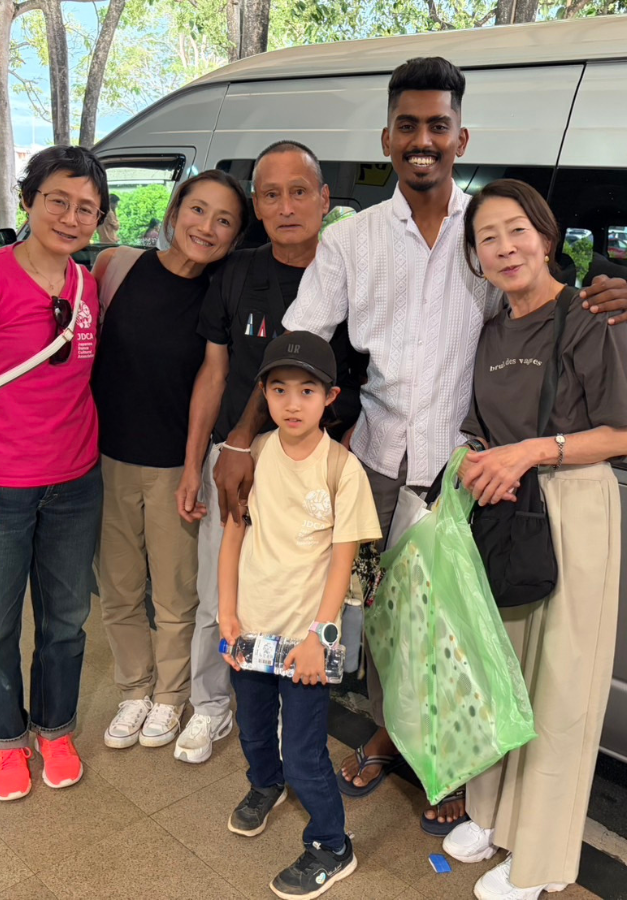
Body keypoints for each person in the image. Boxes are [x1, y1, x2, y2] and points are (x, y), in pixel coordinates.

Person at [216, 56, 627, 831]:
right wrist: (243, 440)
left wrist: (613, 290)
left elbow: (549, 294)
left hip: (466, 468)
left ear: (459, 138)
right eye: (407, 125)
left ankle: (450, 761)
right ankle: (391, 733)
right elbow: (298, 345)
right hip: (377, 460)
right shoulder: (351, 241)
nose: (422, 140)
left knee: (452, 625)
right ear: (387, 138)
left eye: (438, 126)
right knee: (383, 620)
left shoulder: (489, 232)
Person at [441, 179, 627, 898]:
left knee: (559, 689)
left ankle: (540, 858)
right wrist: (477, 461)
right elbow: (480, 427)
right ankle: (493, 816)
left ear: (547, 237)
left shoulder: (589, 316)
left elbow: (625, 434)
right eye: (487, 238)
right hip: (505, 508)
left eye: (517, 231)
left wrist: (529, 452)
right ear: (476, 257)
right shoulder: (493, 328)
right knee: (501, 673)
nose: (505, 248)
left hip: (573, 507)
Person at [172, 140, 363, 765]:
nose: (286, 207)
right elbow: (214, 372)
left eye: (299, 192)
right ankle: (210, 706)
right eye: (271, 195)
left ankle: (292, 715)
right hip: (237, 454)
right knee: (218, 589)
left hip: (314, 464)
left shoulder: (349, 272)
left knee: (303, 594)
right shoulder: (236, 273)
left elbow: (367, 382)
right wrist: (199, 461)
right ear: (256, 205)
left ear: (325, 199)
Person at [0, 146, 106, 802]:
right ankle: (5, 741)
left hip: (75, 483)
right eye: (58, 200)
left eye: (86, 208)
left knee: (66, 619)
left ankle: (54, 730)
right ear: (29, 200)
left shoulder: (88, 284)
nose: (71, 217)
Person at [218, 332, 381, 900]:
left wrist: (318, 637)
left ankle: (332, 845)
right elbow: (234, 536)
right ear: (263, 393)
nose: (292, 403)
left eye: (307, 391)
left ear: (329, 397)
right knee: (253, 726)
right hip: (250, 629)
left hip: (306, 641)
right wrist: (227, 612)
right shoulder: (256, 454)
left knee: (305, 752)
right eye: (280, 389)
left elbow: (342, 562)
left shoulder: (341, 469)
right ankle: (265, 785)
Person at [91, 170, 248, 752]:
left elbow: (217, 379)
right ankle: (134, 689)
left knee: (177, 594)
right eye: (198, 210)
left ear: (236, 236)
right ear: (175, 210)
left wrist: (191, 469)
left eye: (224, 220)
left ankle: (170, 696)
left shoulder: (222, 296)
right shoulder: (116, 267)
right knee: (119, 588)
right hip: (105, 459)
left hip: (175, 468)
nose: (206, 227)